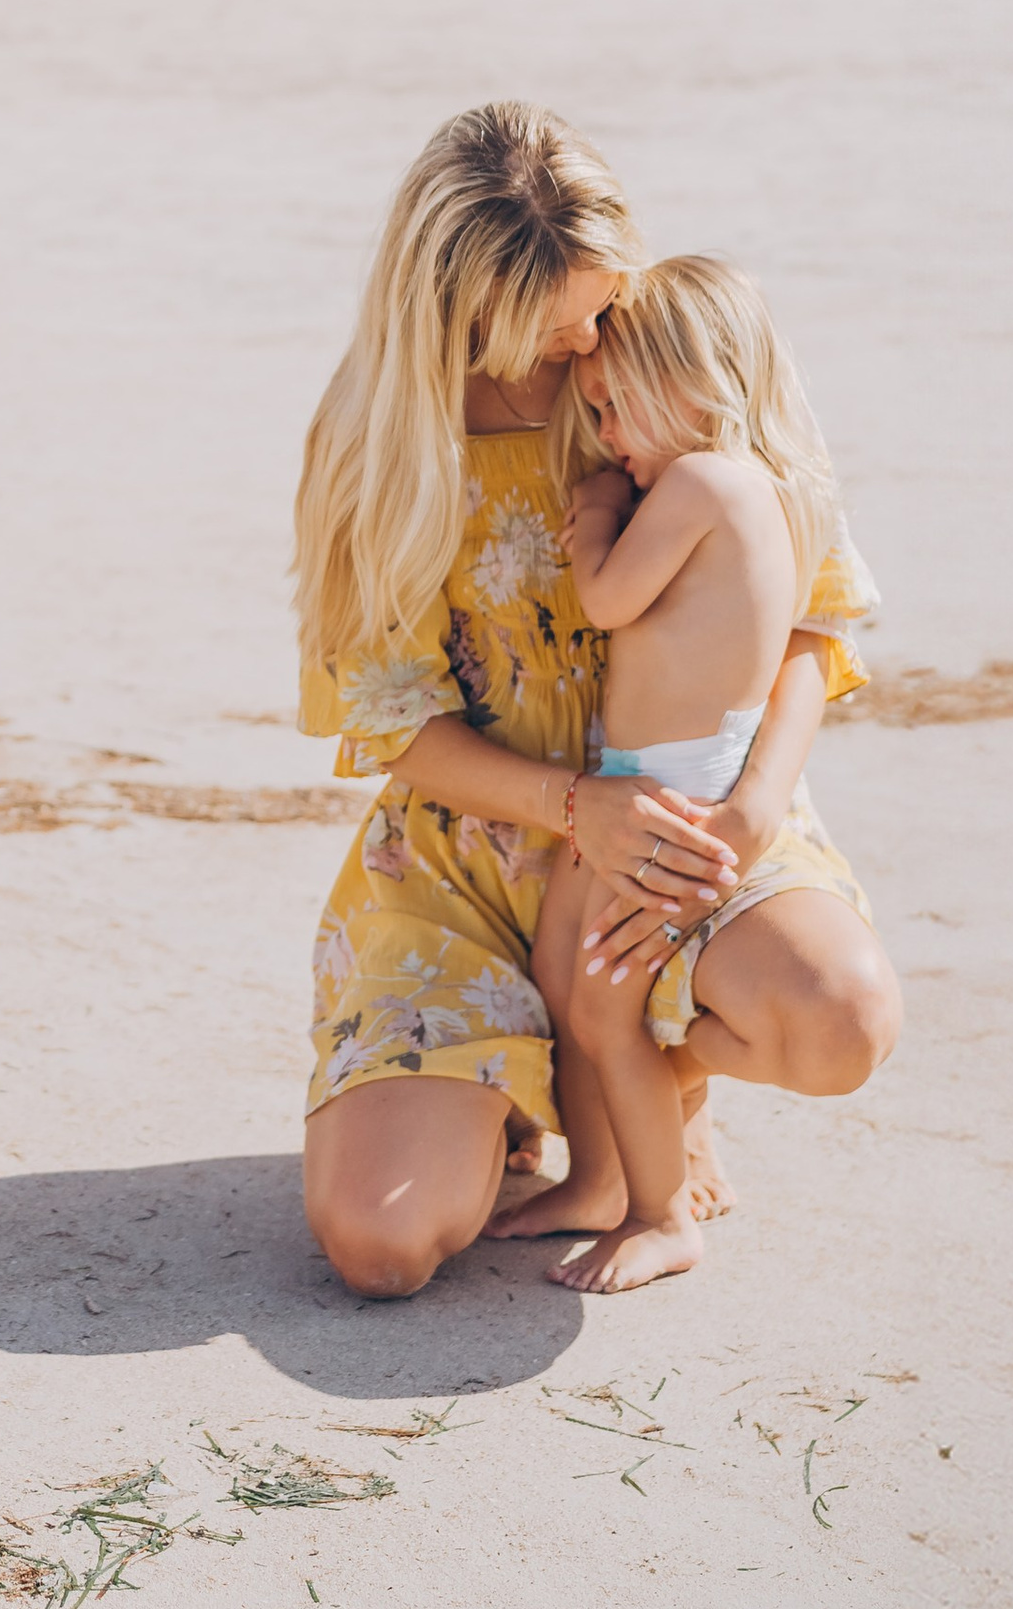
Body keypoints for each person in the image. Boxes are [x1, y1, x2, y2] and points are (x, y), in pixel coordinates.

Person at [294, 102, 899, 1300]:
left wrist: (753, 809)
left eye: (598, 310)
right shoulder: (374, 447)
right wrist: (578, 809)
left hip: (691, 816)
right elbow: (391, 722)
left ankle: (653, 1090)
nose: (586, 352)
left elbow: (810, 619)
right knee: (382, 1246)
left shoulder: (675, 368)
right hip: (475, 856)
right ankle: (512, 1098)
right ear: (457, 309)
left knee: (841, 1021)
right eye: (555, 329)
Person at [513, 254, 857, 1293]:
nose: (608, 438)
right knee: (569, 982)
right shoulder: (775, 487)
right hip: (661, 778)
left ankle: (659, 1215)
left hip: (664, 795)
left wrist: (594, 526)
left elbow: (611, 601)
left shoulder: (703, 481)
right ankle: (595, 1179)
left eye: (617, 410)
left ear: (695, 390)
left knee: (604, 1013)